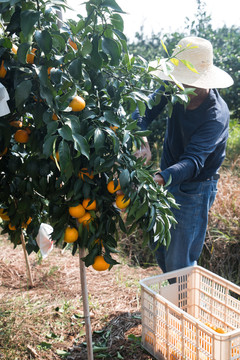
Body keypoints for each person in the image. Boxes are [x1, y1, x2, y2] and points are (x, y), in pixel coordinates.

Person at [133, 36, 234, 273]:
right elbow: (142, 113)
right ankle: (175, 301)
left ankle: (184, 308)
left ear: (200, 82)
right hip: (167, 176)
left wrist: (156, 179)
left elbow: (192, 163)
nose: (176, 86)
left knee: (180, 261)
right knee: (160, 247)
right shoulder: (174, 87)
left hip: (194, 188)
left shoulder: (215, 116)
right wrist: (142, 139)